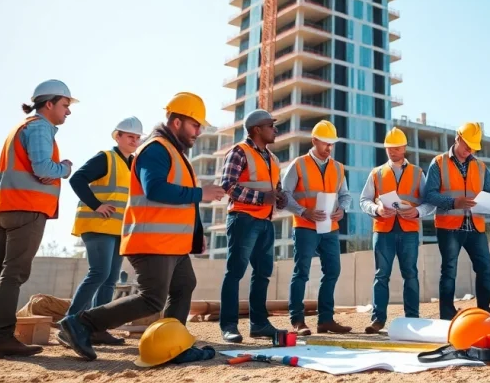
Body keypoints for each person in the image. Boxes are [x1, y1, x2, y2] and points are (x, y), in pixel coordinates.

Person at [56, 92, 227, 361]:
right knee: (152, 299)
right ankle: (81, 323)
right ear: (177, 122)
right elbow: (155, 189)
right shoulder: (156, 149)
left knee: (184, 286)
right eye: (195, 124)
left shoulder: (174, 152)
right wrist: (200, 193)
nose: (199, 131)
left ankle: (176, 345)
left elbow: (180, 202)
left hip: (173, 244)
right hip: (152, 242)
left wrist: (196, 234)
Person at [0, 80, 77, 359]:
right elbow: (42, 168)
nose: (68, 112)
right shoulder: (39, 128)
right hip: (27, 210)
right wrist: (65, 168)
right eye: (65, 106)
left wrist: (51, 170)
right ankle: (0, 338)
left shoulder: (20, 128)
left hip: (5, 208)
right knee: (13, 275)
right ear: (49, 104)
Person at [64, 116, 144, 346]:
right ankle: (69, 323)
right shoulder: (105, 158)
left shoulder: (132, 163)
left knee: (110, 280)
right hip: (98, 225)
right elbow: (77, 179)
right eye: (130, 136)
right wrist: (96, 205)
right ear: (117, 136)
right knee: (98, 273)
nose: (134, 140)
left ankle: (98, 328)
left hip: (118, 229)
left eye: (137, 137)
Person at [219, 109, 288, 343]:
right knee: (235, 272)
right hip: (243, 219)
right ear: (257, 129)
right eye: (271, 125)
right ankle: (228, 325)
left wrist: (280, 197)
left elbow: (274, 188)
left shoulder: (273, 158)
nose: (275, 129)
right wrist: (261, 198)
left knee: (263, 274)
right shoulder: (239, 152)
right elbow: (228, 184)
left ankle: (258, 324)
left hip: (266, 222)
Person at [281, 120, 353, 336]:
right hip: (305, 226)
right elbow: (284, 194)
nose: (328, 148)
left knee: (332, 271)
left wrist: (343, 209)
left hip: (330, 227)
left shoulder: (339, 168)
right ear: (314, 141)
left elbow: (345, 195)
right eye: (325, 144)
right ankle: (297, 320)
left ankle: (326, 320)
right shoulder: (298, 164)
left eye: (331, 144)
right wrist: (304, 212)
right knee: (301, 272)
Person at [359, 127, 434, 334]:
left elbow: (430, 203)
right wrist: (377, 209)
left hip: (408, 231)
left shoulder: (418, 173)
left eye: (397, 148)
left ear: (404, 148)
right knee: (381, 275)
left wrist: (417, 211)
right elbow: (364, 201)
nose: (393, 151)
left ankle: (412, 318)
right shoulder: (376, 173)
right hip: (383, 231)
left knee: (410, 274)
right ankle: (377, 320)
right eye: (389, 148)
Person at [422, 122, 490, 320]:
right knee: (449, 269)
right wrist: (454, 202)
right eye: (466, 145)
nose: (469, 150)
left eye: (473, 147)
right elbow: (429, 195)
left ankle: (484, 312)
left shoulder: (481, 166)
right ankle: (447, 315)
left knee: (485, 268)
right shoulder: (438, 163)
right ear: (457, 138)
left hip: (476, 226)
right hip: (449, 226)